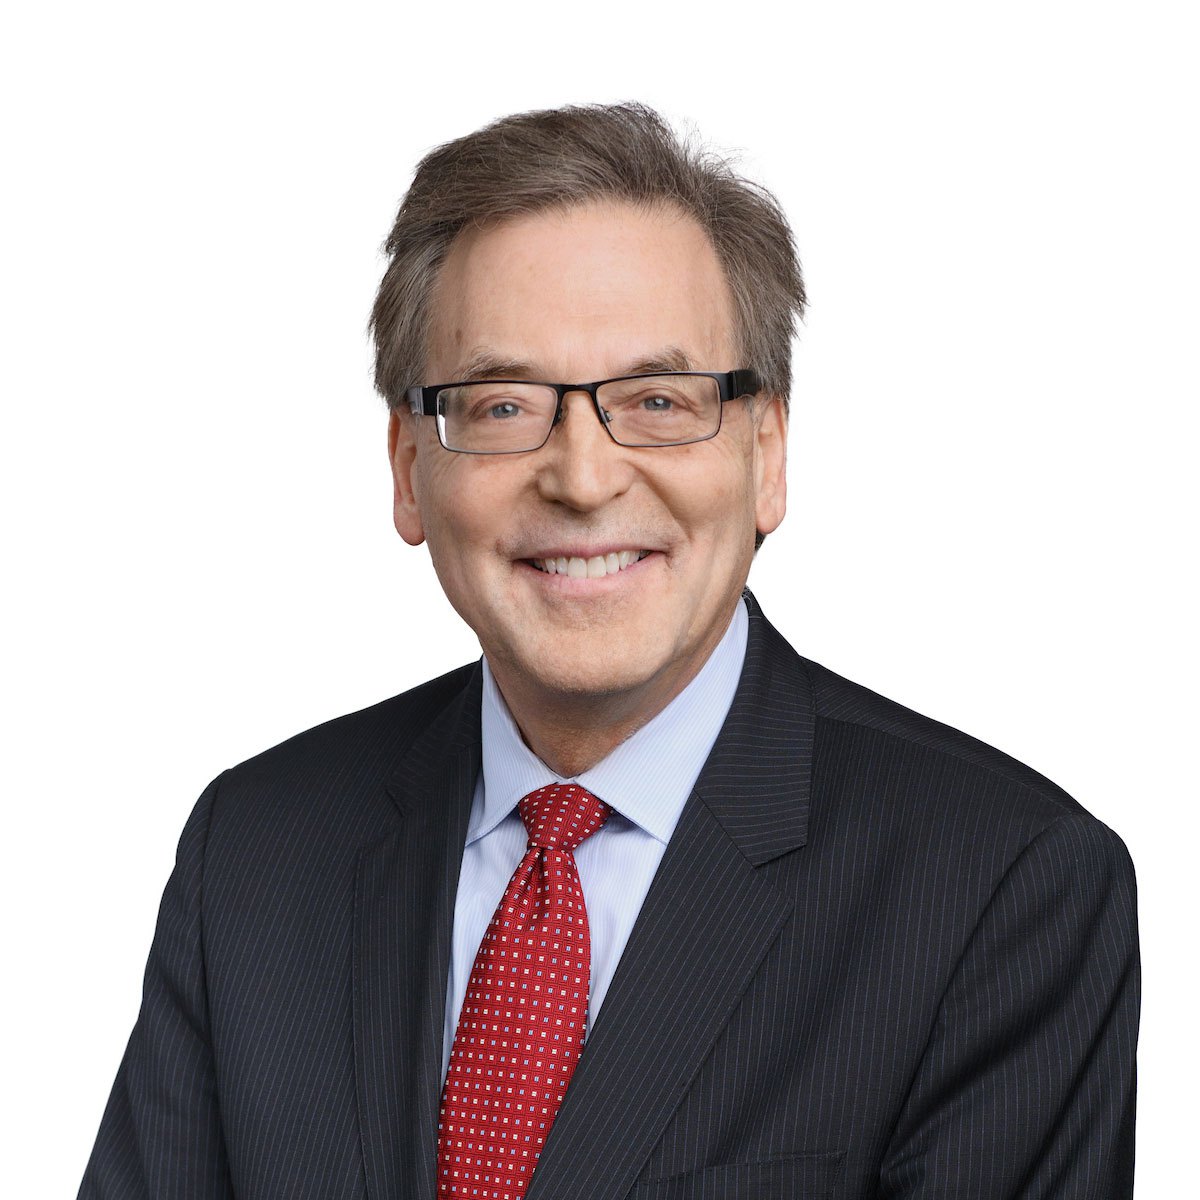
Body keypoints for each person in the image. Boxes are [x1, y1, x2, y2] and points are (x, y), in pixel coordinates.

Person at [78, 102, 1140, 1200]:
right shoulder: (255, 850)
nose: (583, 479)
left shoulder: (1004, 889)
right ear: (407, 468)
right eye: (502, 406)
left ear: (768, 452)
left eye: (659, 400)